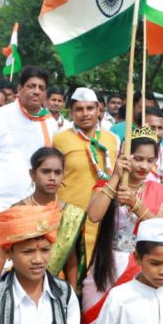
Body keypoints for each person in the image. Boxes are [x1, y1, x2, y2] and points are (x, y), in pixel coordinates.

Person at [81, 130, 163, 324]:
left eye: (150, 160)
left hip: (139, 268)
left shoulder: (160, 190)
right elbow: (94, 215)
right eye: (137, 159)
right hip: (106, 264)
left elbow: (160, 228)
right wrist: (116, 178)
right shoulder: (106, 186)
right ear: (123, 156)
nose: (144, 166)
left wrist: (135, 204)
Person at [0, 66, 58, 263]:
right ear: (20, 89)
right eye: (31, 86)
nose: (36, 91)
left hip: (33, 208)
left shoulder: (49, 123)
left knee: (26, 266)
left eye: (41, 87)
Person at [0, 147, 87, 284]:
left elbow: (71, 259)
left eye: (58, 172)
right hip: (20, 284)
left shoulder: (72, 215)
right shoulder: (19, 210)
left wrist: (71, 296)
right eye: (46, 172)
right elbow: (2, 254)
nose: (52, 178)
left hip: (56, 287)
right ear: (32, 174)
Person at [53, 87, 119, 264]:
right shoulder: (59, 139)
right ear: (71, 112)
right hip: (68, 217)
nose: (85, 113)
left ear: (99, 110)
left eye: (90, 108)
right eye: (79, 109)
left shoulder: (111, 139)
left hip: (103, 219)